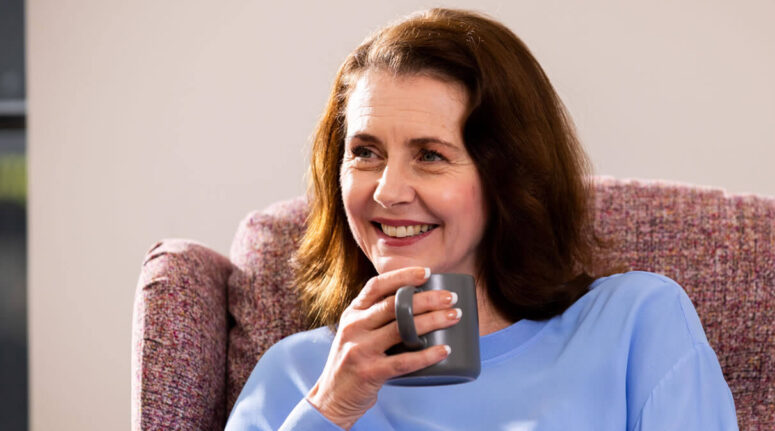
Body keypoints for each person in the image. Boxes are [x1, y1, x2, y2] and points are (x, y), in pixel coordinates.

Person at [225, 8, 738, 430]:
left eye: (429, 155)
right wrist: (332, 407)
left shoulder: (636, 324)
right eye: (365, 152)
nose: (388, 191)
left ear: (508, 176)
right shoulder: (294, 376)